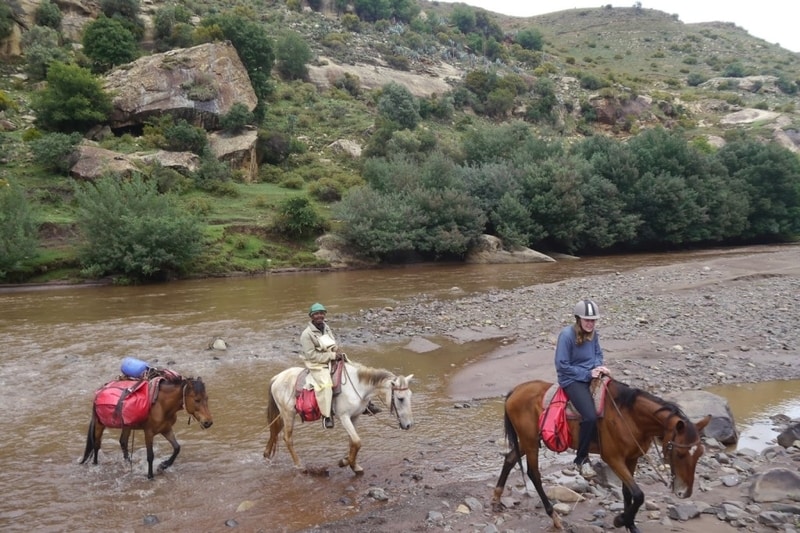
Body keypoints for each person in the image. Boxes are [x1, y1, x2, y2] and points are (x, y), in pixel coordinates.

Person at [299, 303, 380, 429]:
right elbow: (311, 355)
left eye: (321, 313)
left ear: (324, 315)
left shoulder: (326, 327)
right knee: (326, 384)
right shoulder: (306, 334)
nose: (319, 316)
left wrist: (337, 350)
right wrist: (331, 356)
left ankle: (367, 404)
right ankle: (327, 416)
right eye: (316, 314)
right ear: (311, 316)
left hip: (332, 357)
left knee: (358, 371)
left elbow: (332, 343)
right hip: (317, 363)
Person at [554, 299, 611, 479]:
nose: (590, 323)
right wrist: (588, 374)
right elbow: (562, 365)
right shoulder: (566, 335)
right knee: (590, 416)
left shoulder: (594, 334)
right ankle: (581, 459)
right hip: (572, 379)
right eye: (587, 320)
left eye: (593, 320)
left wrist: (599, 367)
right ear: (578, 319)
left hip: (591, 374)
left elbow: (597, 354)